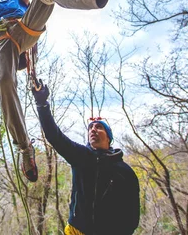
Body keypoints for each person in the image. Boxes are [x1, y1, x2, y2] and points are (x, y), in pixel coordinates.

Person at [0, 0, 126, 183]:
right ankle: (25, 148)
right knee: (5, 82)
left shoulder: (19, 2)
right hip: (1, 39)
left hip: (23, 28)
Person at [32, 81, 140, 235]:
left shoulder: (124, 171)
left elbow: (132, 214)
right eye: (90, 128)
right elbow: (54, 136)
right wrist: (42, 104)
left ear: (108, 137)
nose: (93, 130)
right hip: (76, 231)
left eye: (99, 127)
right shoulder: (81, 156)